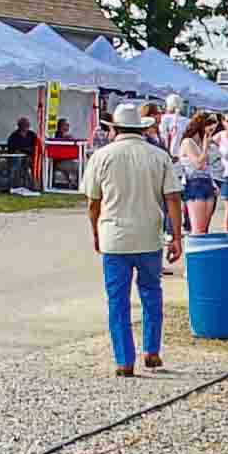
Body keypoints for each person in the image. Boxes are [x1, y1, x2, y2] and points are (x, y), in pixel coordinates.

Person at [81, 101, 184, 378]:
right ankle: (151, 349)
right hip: (149, 236)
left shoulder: (101, 156)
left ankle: (124, 360)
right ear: (141, 128)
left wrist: (95, 232)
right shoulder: (159, 156)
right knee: (151, 292)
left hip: (114, 237)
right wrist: (176, 237)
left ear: (114, 129)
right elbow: (173, 198)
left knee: (118, 300)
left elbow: (93, 202)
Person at [175, 112, 217, 235]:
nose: (211, 133)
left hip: (207, 183)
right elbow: (198, 164)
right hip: (194, 183)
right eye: (210, 129)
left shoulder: (201, 143)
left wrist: (213, 184)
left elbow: (206, 167)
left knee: (204, 230)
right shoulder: (187, 142)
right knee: (197, 230)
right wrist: (205, 148)